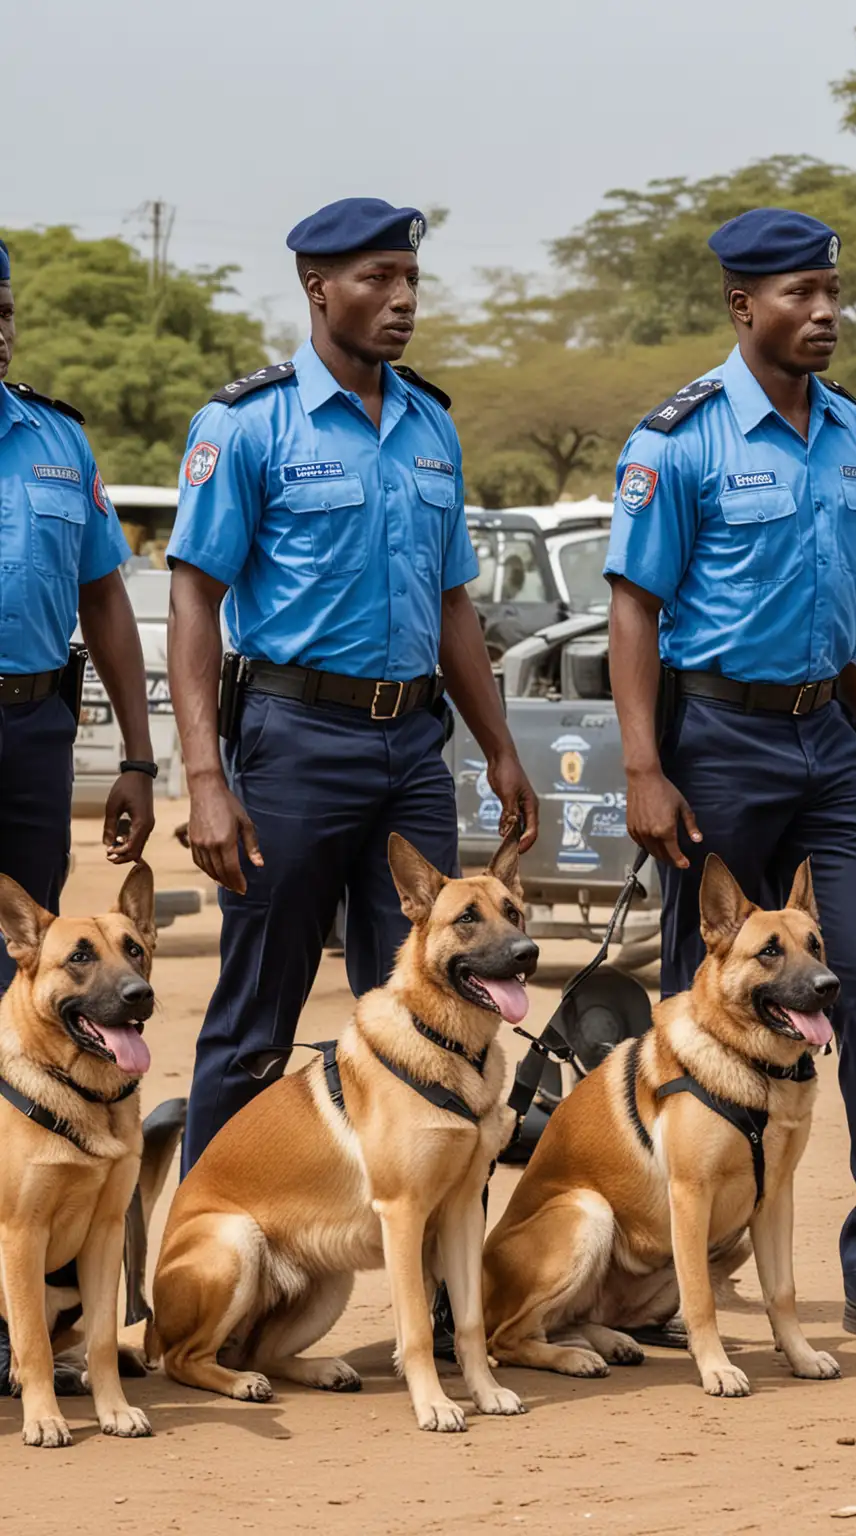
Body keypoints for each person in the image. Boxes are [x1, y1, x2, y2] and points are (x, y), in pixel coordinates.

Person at [604, 208, 856, 1346]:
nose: (823, 315)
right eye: (799, 295)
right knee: (699, 1018)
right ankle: (678, 1267)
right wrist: (645, 766)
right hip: (715, 738)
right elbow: (634, 608)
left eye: (833, 294)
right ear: (741, 307)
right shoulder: (680, 439)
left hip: (826, 748)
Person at [167, 199, 539, 1184]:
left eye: (410, 280)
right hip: (293, 744)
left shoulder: (430, 426)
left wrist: (498, 745)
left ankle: (430, 1282)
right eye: (377, 279)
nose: (401, 299)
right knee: (257, 1015)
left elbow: (454, 601)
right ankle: (213, 1245)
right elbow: (194, 600)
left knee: (436, 1011)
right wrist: (204, 776)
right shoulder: (246, 423)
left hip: (414, 750)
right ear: (316, 287)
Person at [0, 233, 157, 1386]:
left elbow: (103, 595)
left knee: (35, 989)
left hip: (31, 729)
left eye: (2, 306)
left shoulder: (57, 442)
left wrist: (140, 755)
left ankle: (46, 1323)